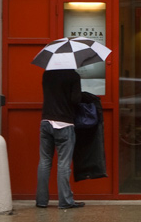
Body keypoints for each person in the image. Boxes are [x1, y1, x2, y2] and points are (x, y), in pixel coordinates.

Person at [35, 68, 86, 209]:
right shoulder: (73, 75)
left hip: (46, 122)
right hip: (64, 124)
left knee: (44, 162)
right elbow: (75, 100)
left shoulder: (47, 74)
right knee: (63, 164)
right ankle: (65, 201)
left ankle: (41, 201)